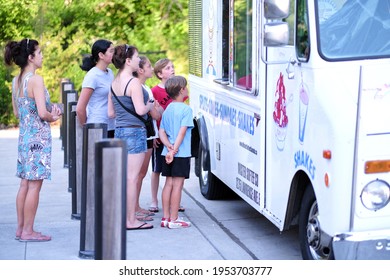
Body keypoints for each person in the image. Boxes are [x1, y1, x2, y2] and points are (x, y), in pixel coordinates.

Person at [4, 38, 62, 241]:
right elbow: (42, 113)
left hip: (24, 137)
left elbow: (17, 112)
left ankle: (21, 229)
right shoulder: (36, 80)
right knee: (35, 186)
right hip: (38, 138)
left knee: (24, 185)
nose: (42, 56)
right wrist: (53, 115)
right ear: (31, 57)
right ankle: (28, 231)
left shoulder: (16, 80)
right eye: (40, 53)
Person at [108, 44, 155, 230]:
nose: (138, 59)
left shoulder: (114, 82)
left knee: (126, 177)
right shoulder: (134, 83)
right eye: (136, 57)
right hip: (135, 131)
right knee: (133, 178)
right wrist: (150, 104)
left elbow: (110, 113)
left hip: (120, 131)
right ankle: (131, 220)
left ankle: (125, 217)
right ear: (128, 61)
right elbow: (140, 110)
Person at [150, 58, 185, 213]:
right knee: (157, 169)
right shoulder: (154, 91)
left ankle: (175, 201)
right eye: (168, 68)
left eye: (173, 67)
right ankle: (154, 200)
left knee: (175, 172)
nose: (172, 69)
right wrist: (155, 135)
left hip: (175, 137)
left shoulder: (179, 88)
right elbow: (151, 115)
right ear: (159, 73)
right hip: (160, 137)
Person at [158, 76, 193, 229]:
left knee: (168, 184)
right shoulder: (186, 109)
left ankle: (165, 218)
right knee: (177, 186)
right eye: (185, 87)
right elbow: (182, 132)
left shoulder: (168, 109)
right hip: (181, 153)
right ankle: (174, 219)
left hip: (166, 152)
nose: (187, 89)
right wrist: (176, 149)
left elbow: (161, 131)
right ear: (181, 90)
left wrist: (168, 146)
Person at [133, 56, 163, 218]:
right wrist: (154, 108)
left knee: (141, 173)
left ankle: (136, 206)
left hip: (149, 134)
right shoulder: (141, 88)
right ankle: (134, 208)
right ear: (140, 70)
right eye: (149, 66)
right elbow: (154, 113)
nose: (152, 69)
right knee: (138, 173)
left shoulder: (145, 87)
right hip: (144, 134)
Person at [76, 39, 115, 137]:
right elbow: (80, 108)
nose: (114, 54)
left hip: (112, 125)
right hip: (97, 126)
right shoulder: (92, 76)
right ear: (101, 55)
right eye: (111, 51)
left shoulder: (110, 72)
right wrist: (86, 127)